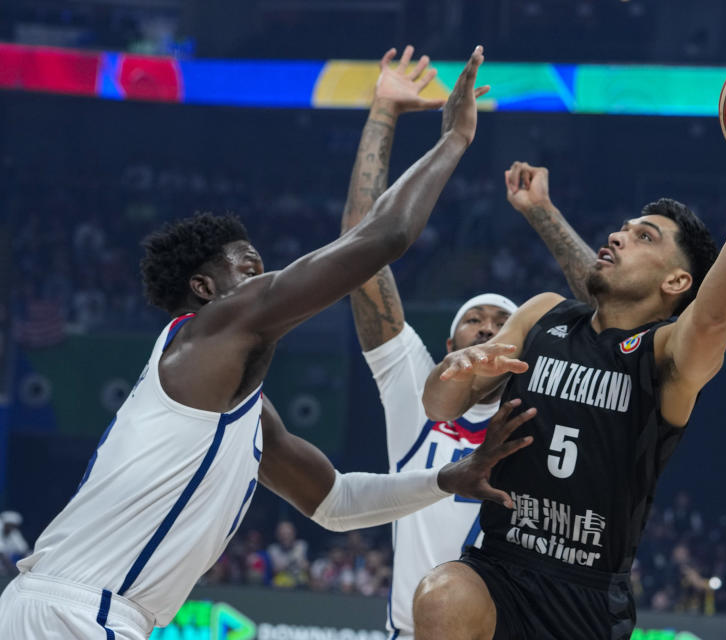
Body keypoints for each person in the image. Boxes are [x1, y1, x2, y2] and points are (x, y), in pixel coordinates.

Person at [0, 46, 538, 640]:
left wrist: (444, 480)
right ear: (205, 288)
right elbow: (382, 236)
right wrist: (454, 140)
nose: (266, 282)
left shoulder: (240, 412)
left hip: (75, 611)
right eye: (250, 269)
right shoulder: (214, 327)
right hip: (75, 613)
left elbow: (335, 502)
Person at [413, 98, 726, 639]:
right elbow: (437, 406)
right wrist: (455, 366)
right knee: (442, 595)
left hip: (586, 598)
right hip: (498, 568)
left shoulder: (664, 356)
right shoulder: (543, 314)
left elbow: (714, 317)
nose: (616, 236)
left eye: (644, 237)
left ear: (678, 283)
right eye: (623, 228)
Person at [339, 48, 596, 640]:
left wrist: (544, 215)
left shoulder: (545, 415)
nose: (485, 328)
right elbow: (357, 250)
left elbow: (617, 318)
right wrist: (384, 109)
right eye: (473, 320)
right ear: (446, 344)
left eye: (499, 323)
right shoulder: (413, 395)